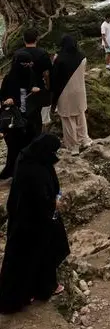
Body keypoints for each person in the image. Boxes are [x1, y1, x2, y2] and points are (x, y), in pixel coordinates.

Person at [0, 133, 70, 314]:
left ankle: (39, 288)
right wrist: (54, 203)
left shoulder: (32, 159)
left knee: (45, 251)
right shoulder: (32, 170)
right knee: (31, 255)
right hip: (31, 222)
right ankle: (24, 295)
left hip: (35, 219)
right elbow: (37, 198)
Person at [0, 51, 42, 180]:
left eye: (29, 64)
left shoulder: (31, 74)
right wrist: (9, 100)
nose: (27, 67)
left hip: (30, 116)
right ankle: (13, 171)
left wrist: (36, 89)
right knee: (14, 147)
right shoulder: (9, 78)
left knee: (31, 143)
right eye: (24, 64)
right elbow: (2, 96)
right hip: (14, 118)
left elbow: (40, 87)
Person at [51, 35, 91, 154]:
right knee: (80, 115)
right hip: (79, 90)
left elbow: (55, 78)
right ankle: (85, 140)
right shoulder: (83, 57)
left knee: (68, 119)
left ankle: (73, 146)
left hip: (65, 92)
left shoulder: (59, 59)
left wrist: (53, 98)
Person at [15, 28, 52, 130]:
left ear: (24, 39)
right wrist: (48, 88)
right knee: (41, 118)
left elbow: (14, 74)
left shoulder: (18, 54)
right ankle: (41, 138)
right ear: (37, 39)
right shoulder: (42, 53)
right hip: (39, 90)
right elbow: (47, 73)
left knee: (24, 117)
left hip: (22, 91)